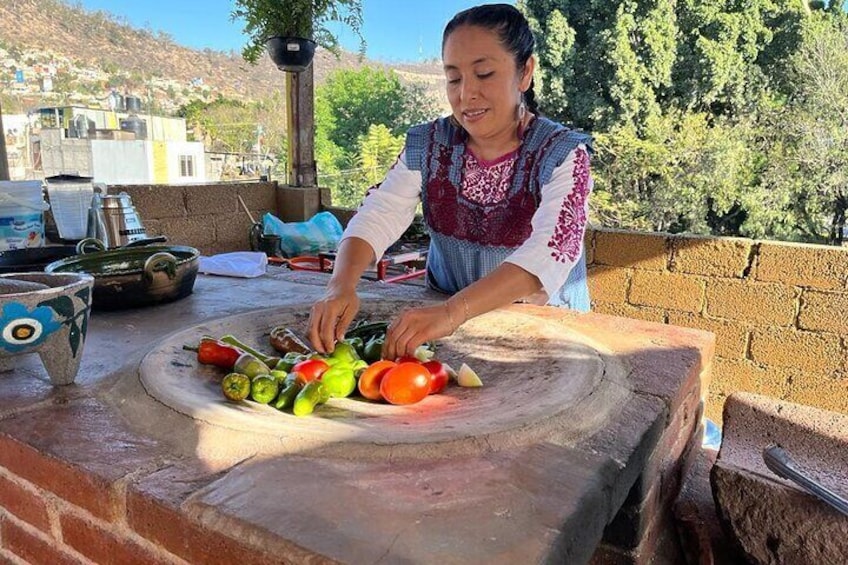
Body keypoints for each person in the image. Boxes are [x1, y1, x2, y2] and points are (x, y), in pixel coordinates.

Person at [308, 3, 593, 360]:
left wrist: (452, 312)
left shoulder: (562, 154)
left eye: (484, 74)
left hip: (543, 332)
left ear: (525, 73)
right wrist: (340, 286)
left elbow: (550, 252)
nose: (465, 94)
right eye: (454, 78)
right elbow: (380, 213)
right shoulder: (428, 145)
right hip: (447, 330)